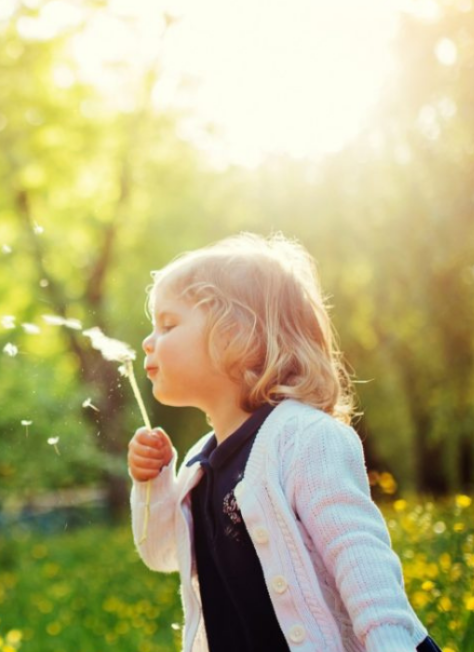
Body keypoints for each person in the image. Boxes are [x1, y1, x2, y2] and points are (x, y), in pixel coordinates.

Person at [127, 233, 442, 652]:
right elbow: (162, 552)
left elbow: (361, 562)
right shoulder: (198, 464)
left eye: (168, 325)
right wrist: (151, 482)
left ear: (235, 335)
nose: (149, 341)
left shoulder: (305, 439)